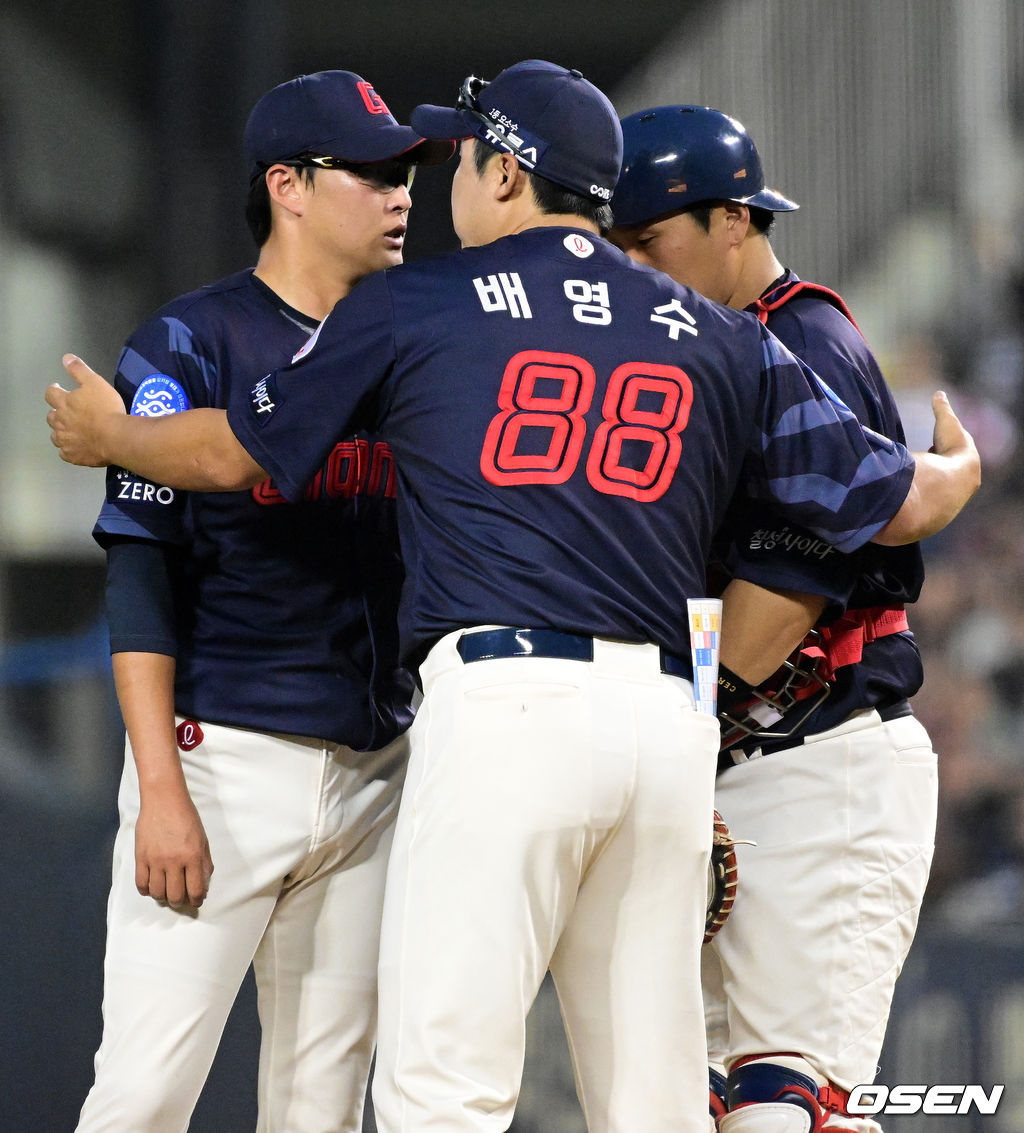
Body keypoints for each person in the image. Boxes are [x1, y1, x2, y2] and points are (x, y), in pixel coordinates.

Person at [45, 61, 979, 1133]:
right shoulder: (723, 333)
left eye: (453, 157)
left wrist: (116, 438)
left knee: (445, 1086)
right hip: (668, 721)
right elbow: (895, 496)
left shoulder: (420, 303)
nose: (425, 184)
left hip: (505, 704)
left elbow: (232, 450)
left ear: (502, 174)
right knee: (655, 1099)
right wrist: (959, 473)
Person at [72, 70, 451, 1133]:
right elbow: (139, 566)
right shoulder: (191, 343)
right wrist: (159, 784)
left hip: (377, 769)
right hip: (223, 759)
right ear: (287, 184)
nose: (399, 194)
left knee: (319, 1109)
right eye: (373, 172)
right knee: (144, 1096)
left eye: (405, 173)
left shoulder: (410, 343)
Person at [611, 105, 944, 1133]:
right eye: (615, 245)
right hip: (733, 769)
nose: (633, 267)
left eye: (649, 241)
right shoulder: (691, 351)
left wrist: (667, 725)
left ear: (731, 220)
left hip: (822, 766)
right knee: (701, 1103)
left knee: (790, 1105)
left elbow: (782, 589)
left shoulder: (802, 340)